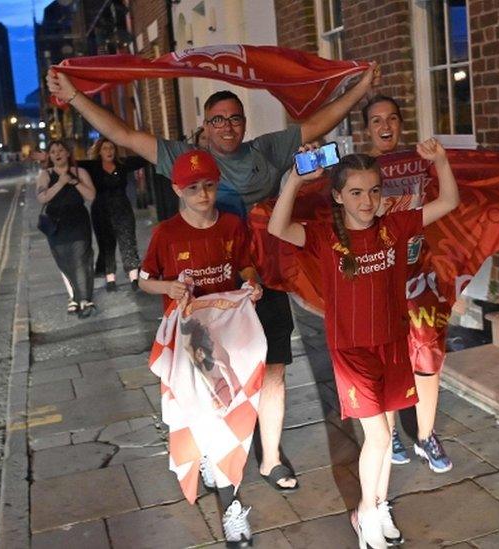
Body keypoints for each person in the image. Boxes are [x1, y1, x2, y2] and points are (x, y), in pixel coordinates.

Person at [48, 62, 379, 492]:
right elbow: (125, 135)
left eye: (234, 118)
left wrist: (363, 87)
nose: (227, 126)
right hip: (208, 297)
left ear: (244, 123)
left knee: (274, 370)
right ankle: (214, 450)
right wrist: (75, 96)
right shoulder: (183, 160)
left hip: (262, 283)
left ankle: (272, 457)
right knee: (209, 378)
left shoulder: (266, 151)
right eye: (217, 119)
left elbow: (319, 121)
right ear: (205, 126)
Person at [267, 141, 459, 548]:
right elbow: (277, 228)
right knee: (376, 437)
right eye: (355, 192)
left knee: (387, 430)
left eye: (374, 190)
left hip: (392, 344)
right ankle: (367, 515)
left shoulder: (397, 226)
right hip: (352, 351)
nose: (367, 200)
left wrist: (440, 161)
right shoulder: (323, 236)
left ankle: (376, 502)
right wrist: (294, 182)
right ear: (338, 197)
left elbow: (449, 202)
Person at [138, 149, 262, 547]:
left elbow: (244, 264)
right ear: (177, 189)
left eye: (209, 186)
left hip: (230, 335)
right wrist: (167, 287)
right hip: (191, 343)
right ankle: (231, 508)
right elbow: (144, 279)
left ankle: (218, 466)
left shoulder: (230, 224)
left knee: (231, 410)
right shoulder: (166, 234)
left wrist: (251, 283)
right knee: (212, 415)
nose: (204, 194)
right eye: (193, 188)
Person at [363, 95, 453, 473]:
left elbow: (452, 197)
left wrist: (440, 159)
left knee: (427, 358)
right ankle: (390, 432)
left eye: (393, 119)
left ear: (401, 124)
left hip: (416, 277)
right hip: (376, 277)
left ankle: (425, 434)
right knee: (383, 362)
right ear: (366, 128)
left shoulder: (418, 161)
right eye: (377, 120)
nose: (386, 126)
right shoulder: (358, 171)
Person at [78, 137, 150, 292]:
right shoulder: (92, 166)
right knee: (106, 245)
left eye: (111, 148)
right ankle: (110, 278)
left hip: (122, 209)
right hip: (101, 211)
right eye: (105, 148)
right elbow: (71, 165)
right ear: (99, 151)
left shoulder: (122, 164)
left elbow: (144, 159)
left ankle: (134, 277)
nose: (109, 151)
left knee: (128, 242)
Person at [36, 140, 98, 317]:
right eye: (53, 151)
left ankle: (85, 299)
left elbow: (91, 195)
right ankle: (74, 297)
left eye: (61, 150)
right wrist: (61, 183)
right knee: (64, 262)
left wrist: (74, 181)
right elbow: (42, 198)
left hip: (78, 220)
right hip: (56, 223)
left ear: (68, 153)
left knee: (81, 259)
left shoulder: (80, 172)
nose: (57, 154)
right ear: (49, 156)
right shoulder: (45, 174)